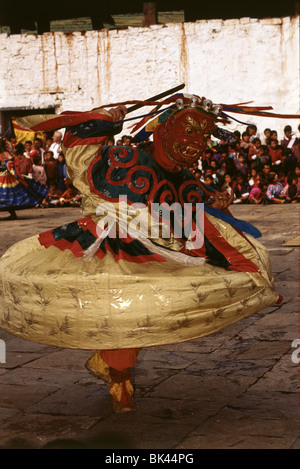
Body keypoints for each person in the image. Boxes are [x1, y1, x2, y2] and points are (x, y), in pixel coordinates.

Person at [0, 94, 281, 413]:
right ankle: (116, 373)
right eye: (189, 131)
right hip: (107, 243)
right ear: (163, 130)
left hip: (155, 251)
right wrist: (105, 118)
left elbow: (199, 219)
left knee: (141, 307)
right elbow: (79, 156)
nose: (196, 143)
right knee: (123, 308)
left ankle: (110, 365)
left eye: (203, 136)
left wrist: (220, 216)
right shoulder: (124, 158)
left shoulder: (184, 177)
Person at [0, 136, 49, 218]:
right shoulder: (7, 154)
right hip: (5, 176)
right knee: (8, 195)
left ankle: (13, 214)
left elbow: (10, 165)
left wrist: (16, 175)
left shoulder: (5, 155)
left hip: (7, 177)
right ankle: (12, 214)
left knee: (8, 196)